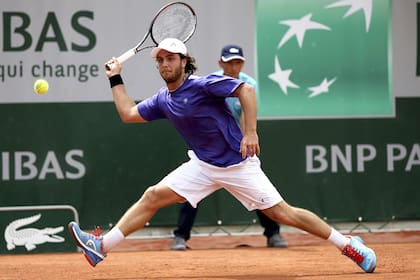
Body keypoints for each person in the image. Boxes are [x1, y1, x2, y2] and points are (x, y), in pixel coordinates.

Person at [68, 38, 377, 273]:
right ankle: (101, 247)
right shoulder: (163, 100)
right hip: (202, 165)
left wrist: (250, 131)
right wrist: (115, 78)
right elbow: (128, 113)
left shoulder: (205, 84)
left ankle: (348, 245)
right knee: (151, 196)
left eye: (170, 58)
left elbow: (246, 91)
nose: (164, 64)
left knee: (284, 213)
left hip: (237, 165)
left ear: (183, 61)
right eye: (160, 59)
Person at [171, 44, 287, 251]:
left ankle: (273, 234)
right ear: (220, 63)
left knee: (259, 192)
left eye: (238, 62)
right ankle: (180, 237)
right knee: (188, 193)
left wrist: (244, 143)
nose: (234, 67)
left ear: (242, 63)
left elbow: (246, 117)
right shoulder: (211, 82)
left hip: (236, 147)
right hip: (210, 149)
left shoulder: (249, 85)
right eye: (229, 62)